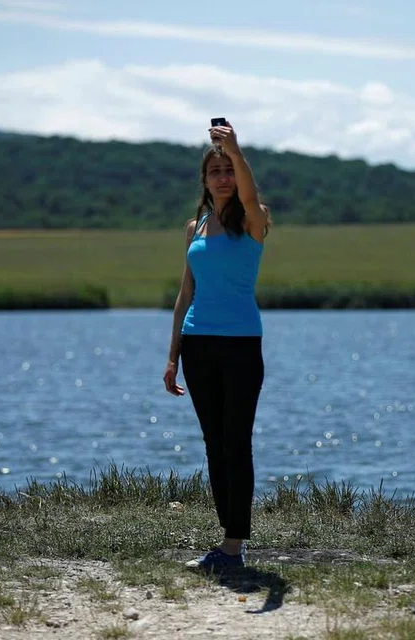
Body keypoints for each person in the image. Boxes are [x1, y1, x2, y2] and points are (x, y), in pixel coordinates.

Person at [162, 119, 271, 573]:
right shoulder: (196, 227)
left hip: (241, 345)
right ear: (205, 181)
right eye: (215, 171)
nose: (223, 177)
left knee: (236, 441)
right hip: (197, 345)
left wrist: (235, 148)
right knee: (212, 443)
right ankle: (227, 542)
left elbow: (247, 194)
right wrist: (172, 357)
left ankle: (233, 545)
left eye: (229, 170)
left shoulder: (254, 220)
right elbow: (185, 293)